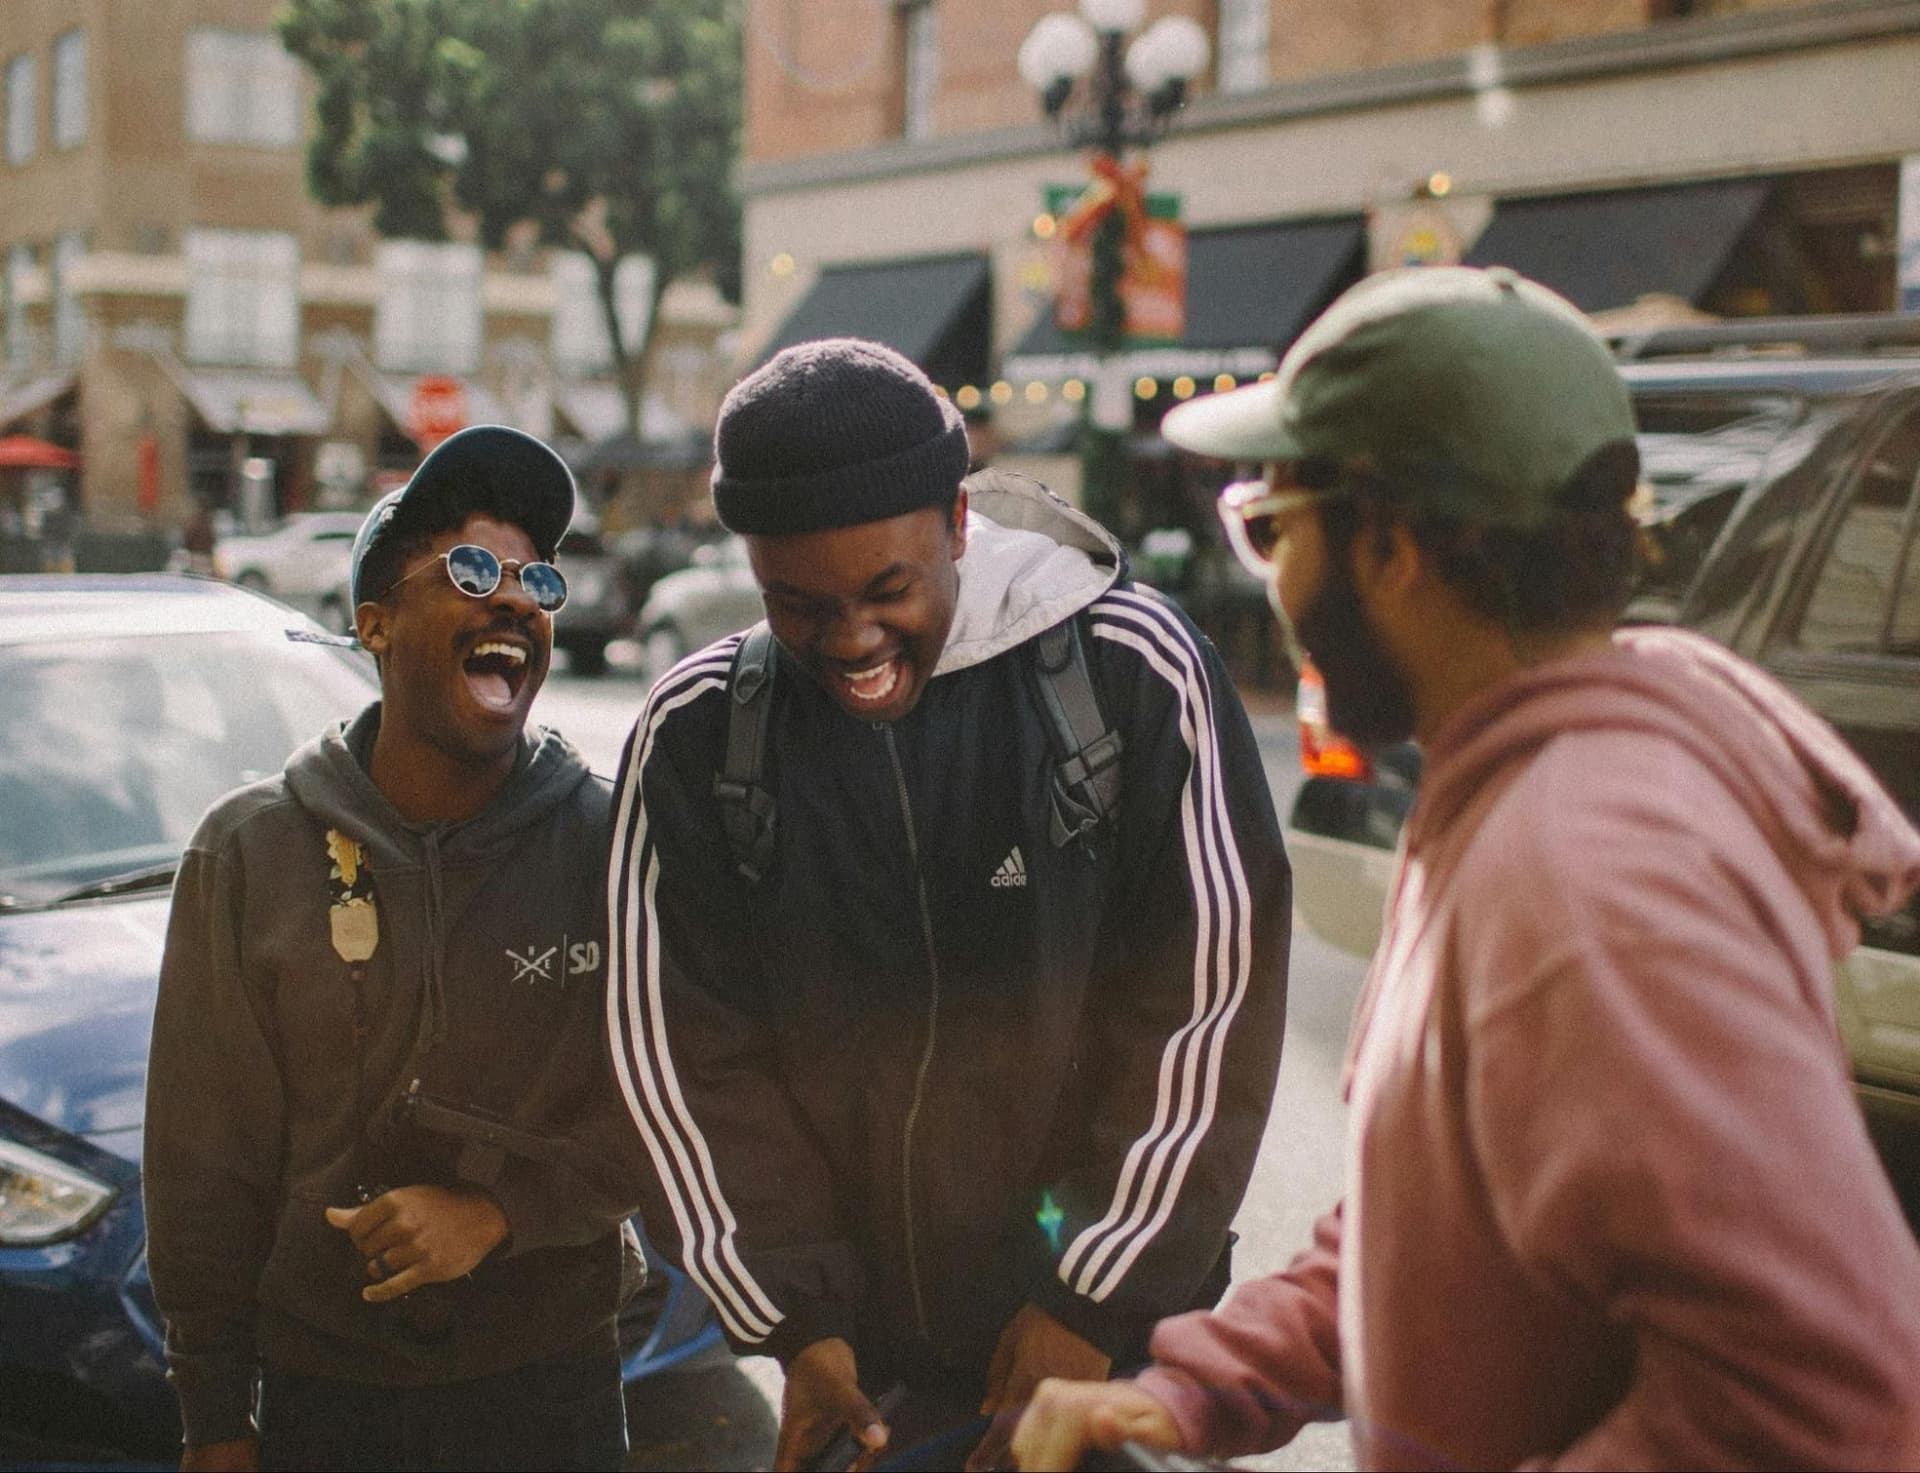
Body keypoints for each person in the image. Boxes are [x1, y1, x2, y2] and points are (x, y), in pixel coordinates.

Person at [1010, 265, 1920, 1472]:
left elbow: (1817, 1393)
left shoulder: (1587, 877)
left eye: (1273, 526)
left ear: (1390, 542)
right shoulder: (1529, 802)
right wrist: (1203, 1389)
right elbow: (1442, 1226)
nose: (1271, 582)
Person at [605, 338, 1291, 1471]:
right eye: (798, 605)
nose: (853, 643)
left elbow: (1209, 1005)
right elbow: (677, 1056)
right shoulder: (695, 737)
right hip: (859, 1369)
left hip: (1114, 1349)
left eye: (888, 591)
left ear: (959, 528)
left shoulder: (1131, 672)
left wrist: (1088, 1297)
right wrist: (799, 1324)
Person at [145, 426, 638, 1472]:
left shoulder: (609, 841)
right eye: (468, 569)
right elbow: (202, 1168)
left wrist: (501, 1212)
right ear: (373, 623)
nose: (514, 598)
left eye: (535, 578)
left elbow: (678, 1111)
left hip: (554, 1386)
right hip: (330, 1398)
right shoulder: (249, 854)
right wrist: (216, 1416)